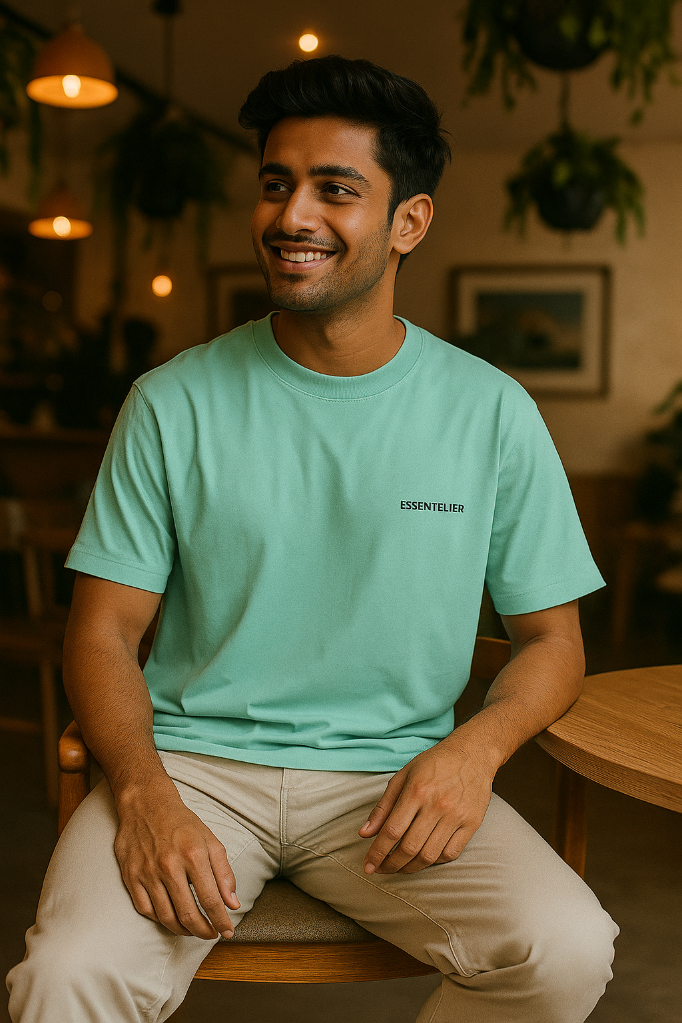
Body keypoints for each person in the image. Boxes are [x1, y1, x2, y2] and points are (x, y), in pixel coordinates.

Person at [7, 55, 618, 1023]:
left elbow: (554, 642)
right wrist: (145, 793)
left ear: (407, 221)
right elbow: (103, 632)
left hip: (391, 784)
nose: (293, 216)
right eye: (275, 184)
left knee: (567, 947)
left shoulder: (491, 412)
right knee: (64, 978)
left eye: (335, 190)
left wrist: (475, 750)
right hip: (191, 770)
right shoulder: (171, 402)